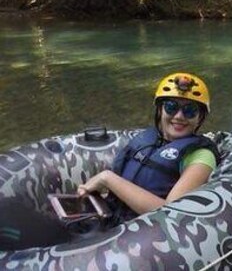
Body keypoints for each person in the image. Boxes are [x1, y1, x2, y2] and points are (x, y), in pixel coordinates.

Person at [0, 72, 218, 250]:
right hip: (107, 219)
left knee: (21, 228)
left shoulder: (200, 154)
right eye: (171, 107)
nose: (179, 116)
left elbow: (170, 212)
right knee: (9, 211)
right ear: (159, 109)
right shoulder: (146, 140)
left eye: (190, 110)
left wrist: (108, 179)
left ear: (200, 118)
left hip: (136, 239)